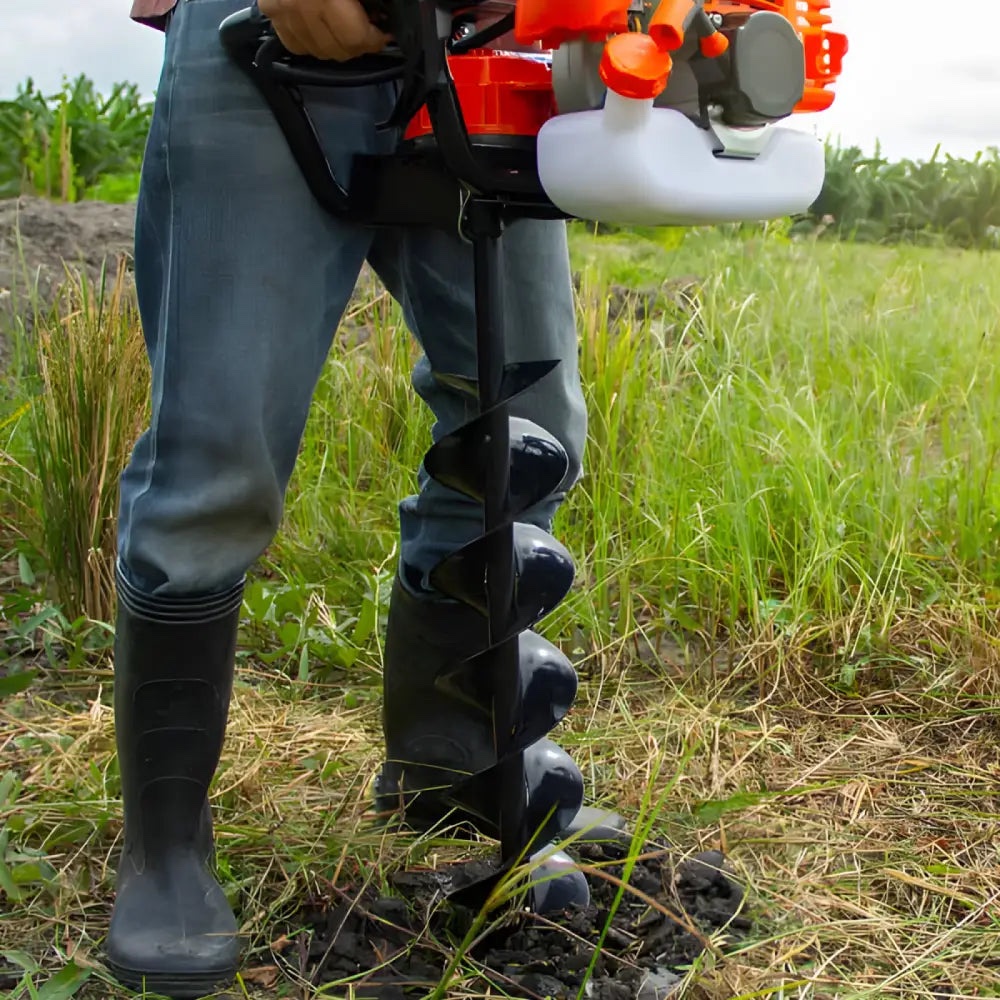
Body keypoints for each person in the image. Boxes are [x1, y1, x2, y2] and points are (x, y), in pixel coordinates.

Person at [108, 0, 613, 996]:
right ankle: (164, 846)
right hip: (268, 35)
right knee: (220, 458)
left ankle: (448, 762)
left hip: (482, 45)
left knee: (525, 424)